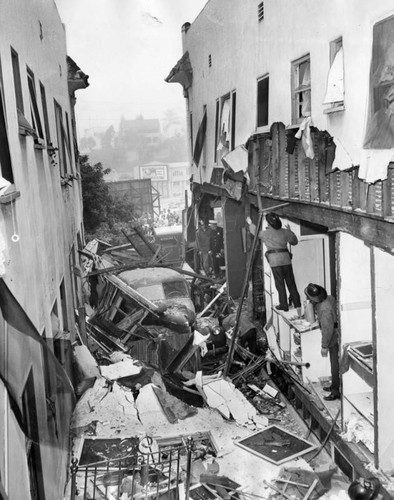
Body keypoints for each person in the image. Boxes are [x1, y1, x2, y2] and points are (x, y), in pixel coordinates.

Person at [246, 212, 301, 312]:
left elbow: (255, 232)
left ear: (269, 224)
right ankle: (298, 304)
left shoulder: (266, 233)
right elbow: (294, 242)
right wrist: (290, 231)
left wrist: (250, 223)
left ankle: (284, 305)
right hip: (286, 260)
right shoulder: (285, 232)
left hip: (275, 261)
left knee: (280, 283)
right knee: (291, 283)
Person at [304, 283, 340, 401]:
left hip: (333, 336)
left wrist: (324, 346)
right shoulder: (329, 298)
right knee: (335, 364)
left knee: (335, 365)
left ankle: (336, 392)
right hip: (336, 331)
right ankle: (334, 385)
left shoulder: (324, 309)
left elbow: (327, 329)